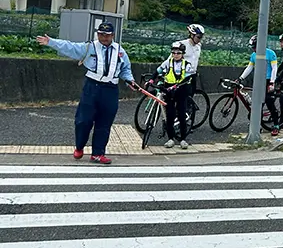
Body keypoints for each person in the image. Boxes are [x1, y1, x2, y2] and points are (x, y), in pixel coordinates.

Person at [36, 22, 139, 164]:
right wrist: (51, 42)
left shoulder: (120, 51)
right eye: (101, 34)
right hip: (92, 87)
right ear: (97, 34)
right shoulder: (89, 47)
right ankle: (79, 146)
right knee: (83, 120)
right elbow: (70, 47)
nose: (104, 37)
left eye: (107, 35)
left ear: (113, 35)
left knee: (104, 123)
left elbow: (125, 69)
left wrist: (130, 80)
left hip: (111, 90)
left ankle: (98, 153)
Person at [152, 41, 194, 149]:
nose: (175, 55)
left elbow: (188, 78)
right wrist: (151, 80)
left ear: (183, 54)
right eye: (174, 52)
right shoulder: (168, 63)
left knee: (181, 115)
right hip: (169, 91)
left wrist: (177, 86)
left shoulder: (187, 65)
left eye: (178, 53)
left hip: (181, 91)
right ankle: (170, 139)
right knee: (169, 116)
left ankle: (183, 139)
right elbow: (157, 71)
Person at [236, 35, 280, 137]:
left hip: (268, 80)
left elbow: (274, 68)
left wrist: (272, 82)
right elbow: (249, 67)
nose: (254, 49)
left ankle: (276, 125)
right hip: (258, 81)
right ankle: (257, 126)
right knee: (257, 104)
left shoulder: (270, 53)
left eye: (255, 47)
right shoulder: (253, 55)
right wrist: (240, 78)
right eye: (252, 47)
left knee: (269, 103)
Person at [178, 23, 204, 96]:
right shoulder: (182, 44)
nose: (200, 40)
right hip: (181, 75)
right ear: (192, 35)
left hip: (193, 75)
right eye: (198, 37)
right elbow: (171, 58)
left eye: (201, 37)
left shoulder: (199, 46)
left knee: (190, 97)